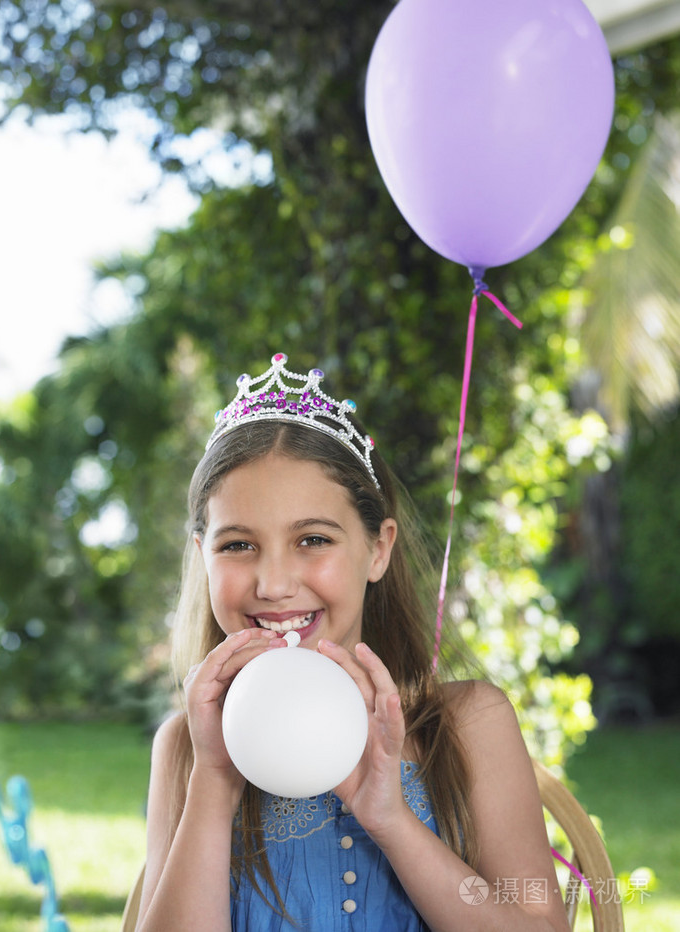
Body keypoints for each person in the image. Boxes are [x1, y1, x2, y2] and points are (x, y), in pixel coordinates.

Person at [135, 353, 570, 932]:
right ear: (202, 558)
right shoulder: (188, 747)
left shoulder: (469, 723)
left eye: (312, 539)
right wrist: (214, 782)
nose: (274, 584)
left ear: (378, 548)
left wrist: (390, 818)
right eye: (237, 545)